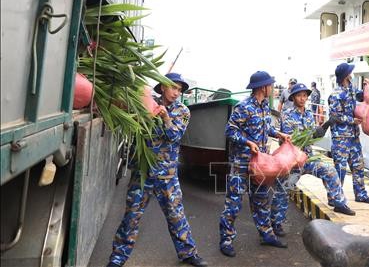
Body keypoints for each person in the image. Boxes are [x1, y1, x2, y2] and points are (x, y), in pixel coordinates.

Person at [107, 73, 207, 267]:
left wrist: (166, 118)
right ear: (162, 87)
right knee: (131, 216)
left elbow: (175, 137)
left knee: (176, 215)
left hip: (167, 174)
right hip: (142, 171)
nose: (177, 93)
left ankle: (188, 253)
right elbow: (133, 125)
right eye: (173, 88)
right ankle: (118, 257)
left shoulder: (183, 111)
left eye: (180, 89)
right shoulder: (146, 103)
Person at [219, 71, 291, 257]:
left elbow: (266, 128)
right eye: (270, 85)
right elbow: (230, 130)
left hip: (261, 164)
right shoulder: (244, 107)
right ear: (262, 87)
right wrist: (247, 142)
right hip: (241, 163)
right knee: (234, 203)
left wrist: (279, 135)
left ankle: (266, 234)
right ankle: (226, 239)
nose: (272, 88)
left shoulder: (265, 106)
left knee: (261, 199)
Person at [270, 83, 355, 235]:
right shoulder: (287, 114)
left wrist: (327, 124)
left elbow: (315, 134)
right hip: (293, 160)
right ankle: (276, 222)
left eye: (304, 95)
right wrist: (312, 134)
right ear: (293, 97)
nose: (302, 98)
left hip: (308, 158)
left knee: (329, 170)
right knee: (283, 188)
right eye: (299, 95)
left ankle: (338, 202)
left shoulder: (309, 114)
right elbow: (291, 139)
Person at [328, 63, 369, 204]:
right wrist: (351, 120)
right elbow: (334, 116)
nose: (352, 75)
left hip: (354, 136)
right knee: (340, 169)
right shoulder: (336, 95)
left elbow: (362, 96)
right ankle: (334, 197)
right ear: (345, 76)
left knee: (358, 166)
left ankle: (361, 194)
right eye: (350, 73)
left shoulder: (351, 90)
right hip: (341, 138)